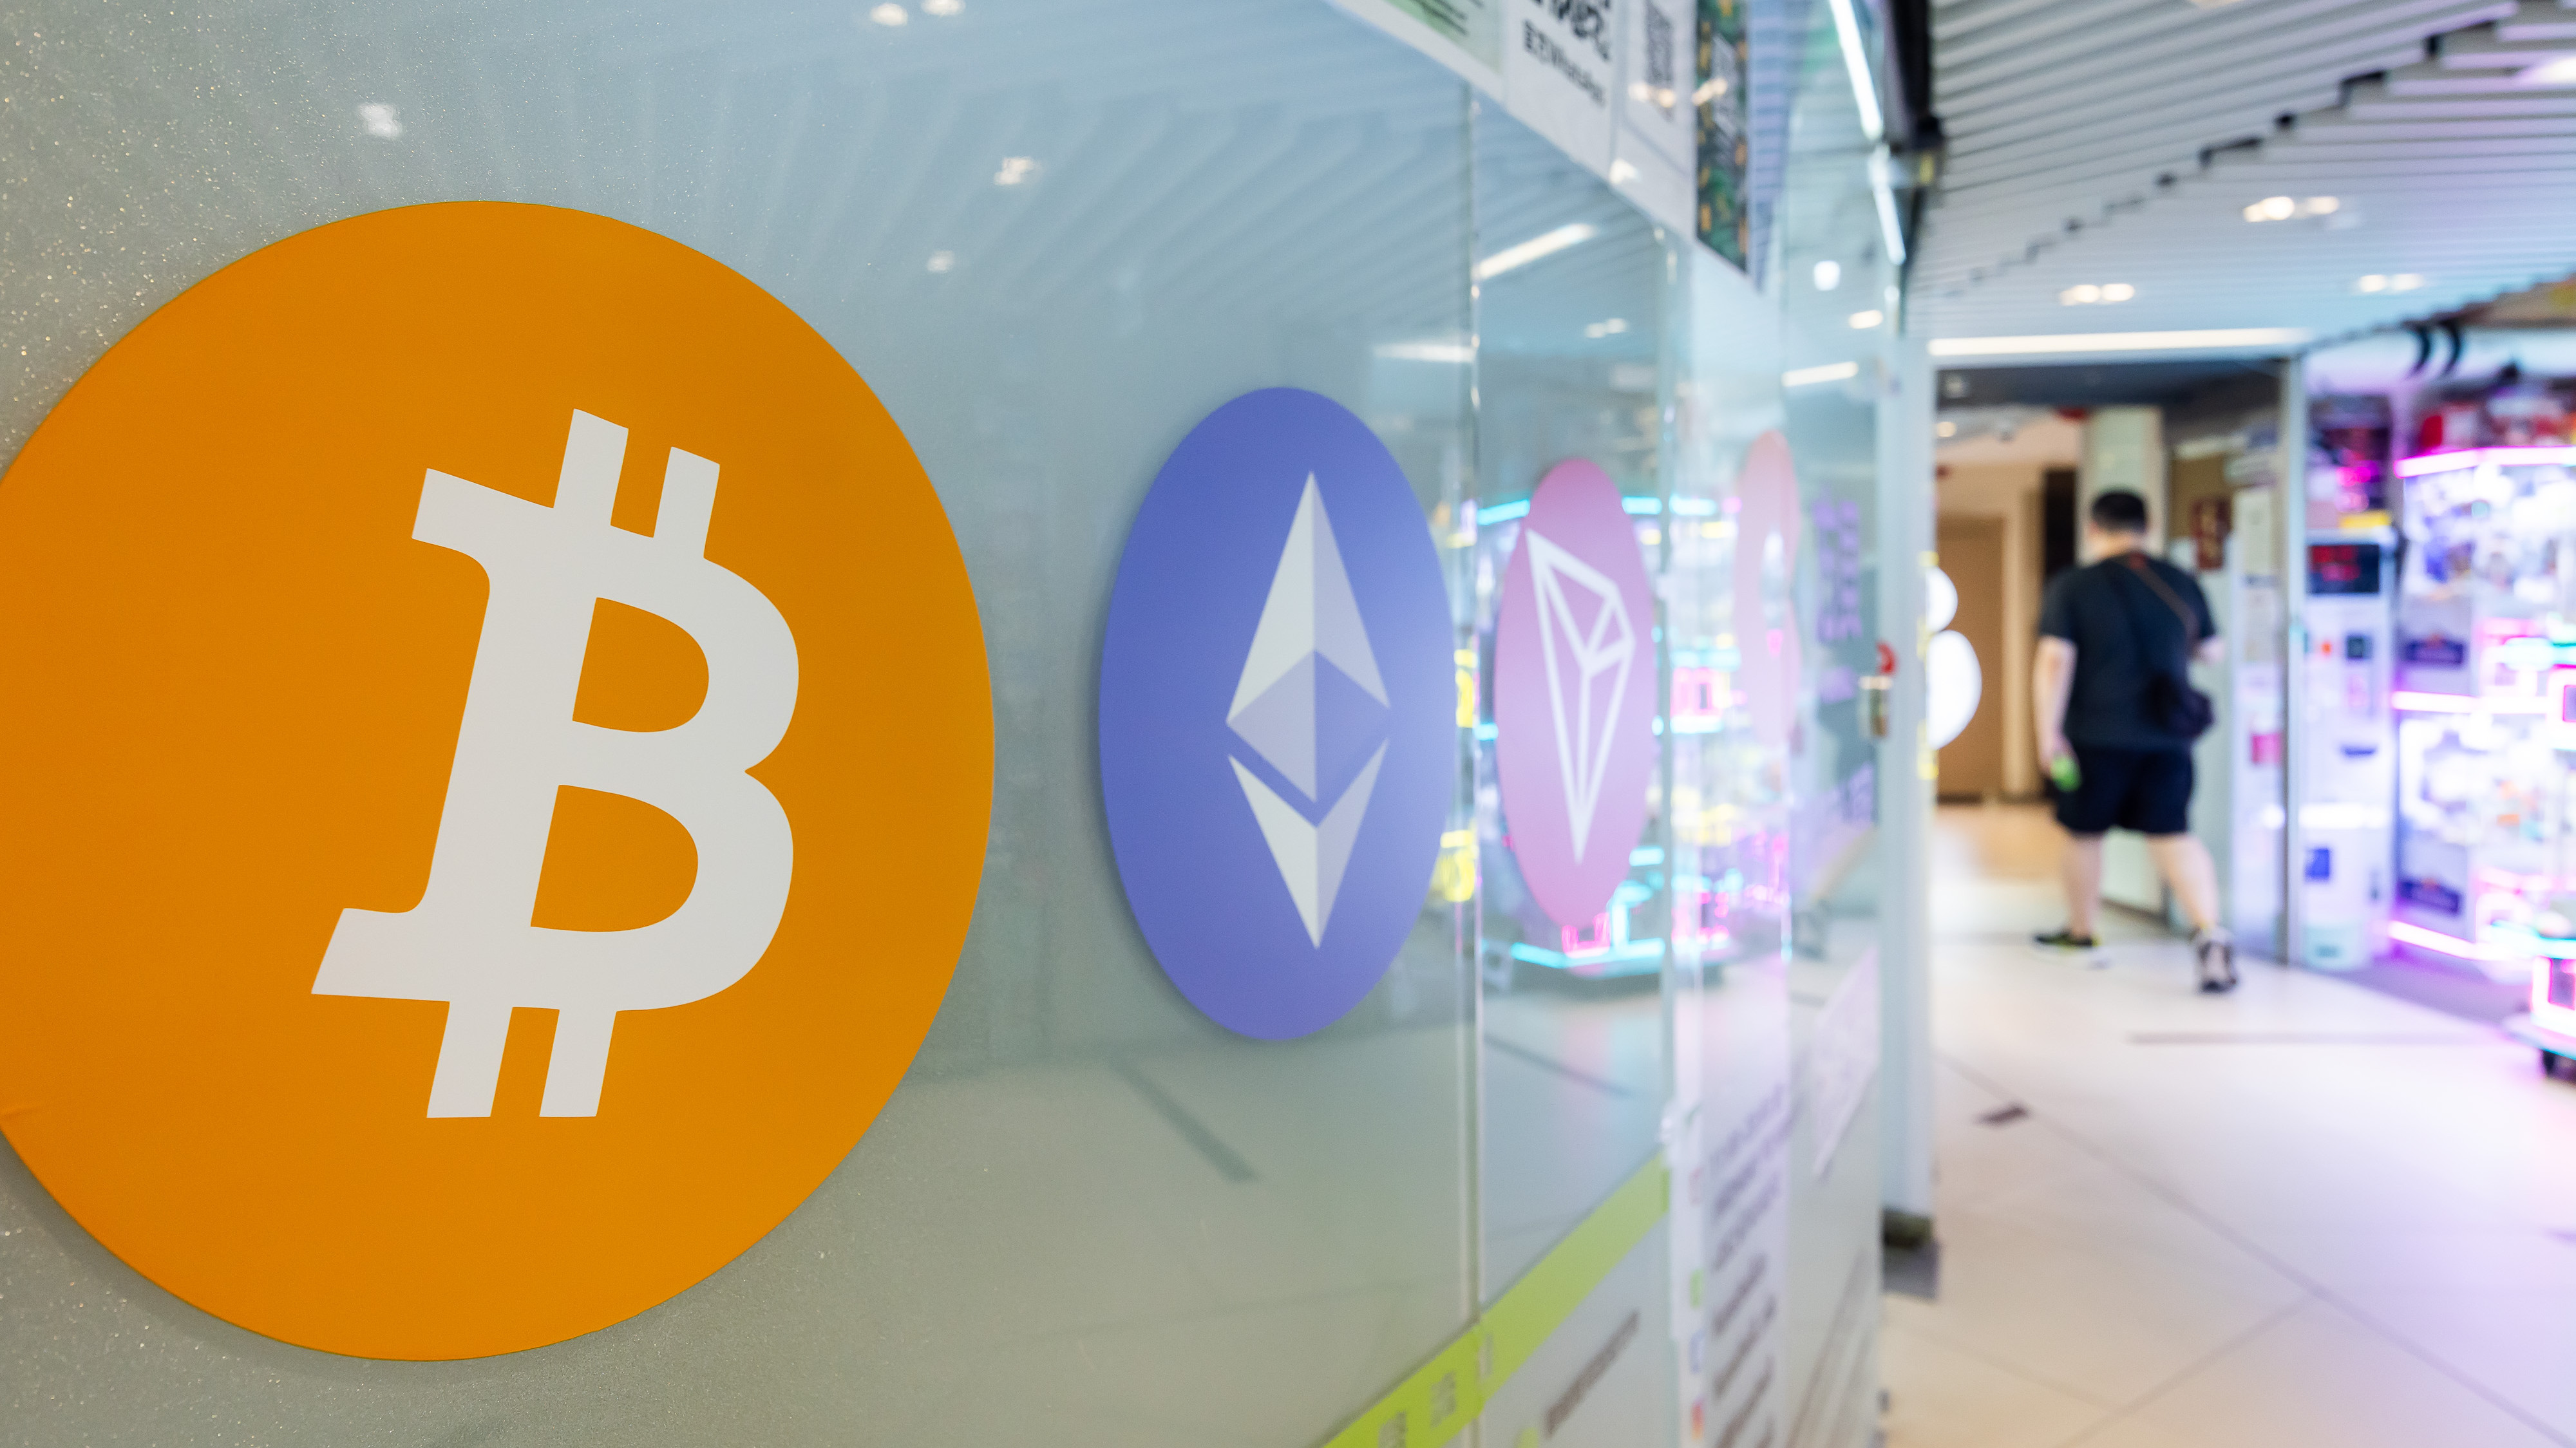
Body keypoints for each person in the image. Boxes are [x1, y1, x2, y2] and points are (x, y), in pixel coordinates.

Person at [2031, 489, 2235, 992]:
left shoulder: (2074, 585)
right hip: (2167, 737)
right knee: (2173, 834)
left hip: (2095, 735)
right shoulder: (2179, 580)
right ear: (2150, 526)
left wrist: (2047, 732)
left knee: (2084, 833)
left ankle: (2082, 934)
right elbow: (2213, 651)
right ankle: (2210, 933)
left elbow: (2055, 660)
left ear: (2093, 528)